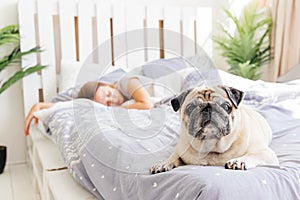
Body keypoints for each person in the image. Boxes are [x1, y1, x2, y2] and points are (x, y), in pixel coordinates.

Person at [24, 77, 154, 136]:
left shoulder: (127, 82)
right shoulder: (126, 102)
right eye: (107, 103)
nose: (112, 100)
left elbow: (147, 104)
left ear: (109, 85)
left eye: (108, 93)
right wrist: (41, 105)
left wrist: (111, 109)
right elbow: (77, 105)